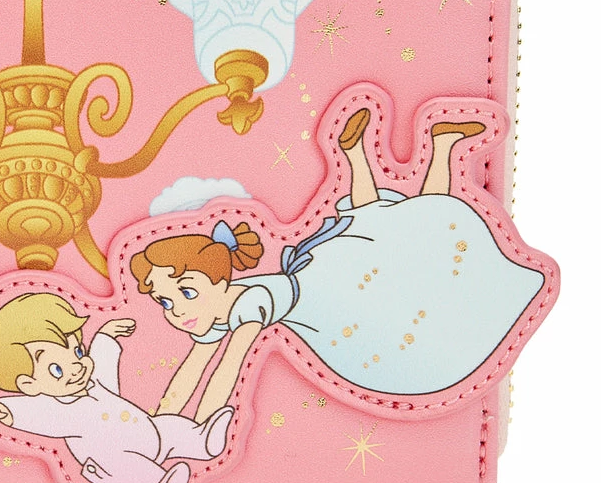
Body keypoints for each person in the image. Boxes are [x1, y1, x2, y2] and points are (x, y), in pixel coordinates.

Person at [130, 107, 546, 405]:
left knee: (422, 233)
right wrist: (163, 422)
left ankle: (421, 148)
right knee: (388, 225)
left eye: (186, 291)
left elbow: (227, 372)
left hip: (339, 300)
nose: (175, 310)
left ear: (219, 280)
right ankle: (402, 149)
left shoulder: (248, 304)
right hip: (330, 284)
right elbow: (191, 370)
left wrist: (200, 429)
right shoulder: (218, 309)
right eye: (165, 301)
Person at [0, 292, 234, 483]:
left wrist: (105, 336)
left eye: (77, 351)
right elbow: (31, 413)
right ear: (29, 384)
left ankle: (201, 441)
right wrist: (1, 409)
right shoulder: (59, 413)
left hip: (150, 434)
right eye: (57, 369)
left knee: (168, 426)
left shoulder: (94, 384)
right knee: (128, 467)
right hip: (111, 462)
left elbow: (102, 363)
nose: (77, 366)